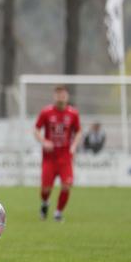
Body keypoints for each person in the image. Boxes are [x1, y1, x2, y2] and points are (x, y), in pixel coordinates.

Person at [33, 85, 82, 222]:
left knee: (66, 185)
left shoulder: (73, 113)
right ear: (55, 96)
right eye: (59, 94)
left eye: (63, 94)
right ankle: (44, 203)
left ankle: (58, 213)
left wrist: (74, 145)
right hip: (49, 157)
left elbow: (78, 131)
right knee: (46, 189)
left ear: (67, 96)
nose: (61, 97)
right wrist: (44, 141)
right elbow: (36, 129)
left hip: (65, 156)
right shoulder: (46, 112)